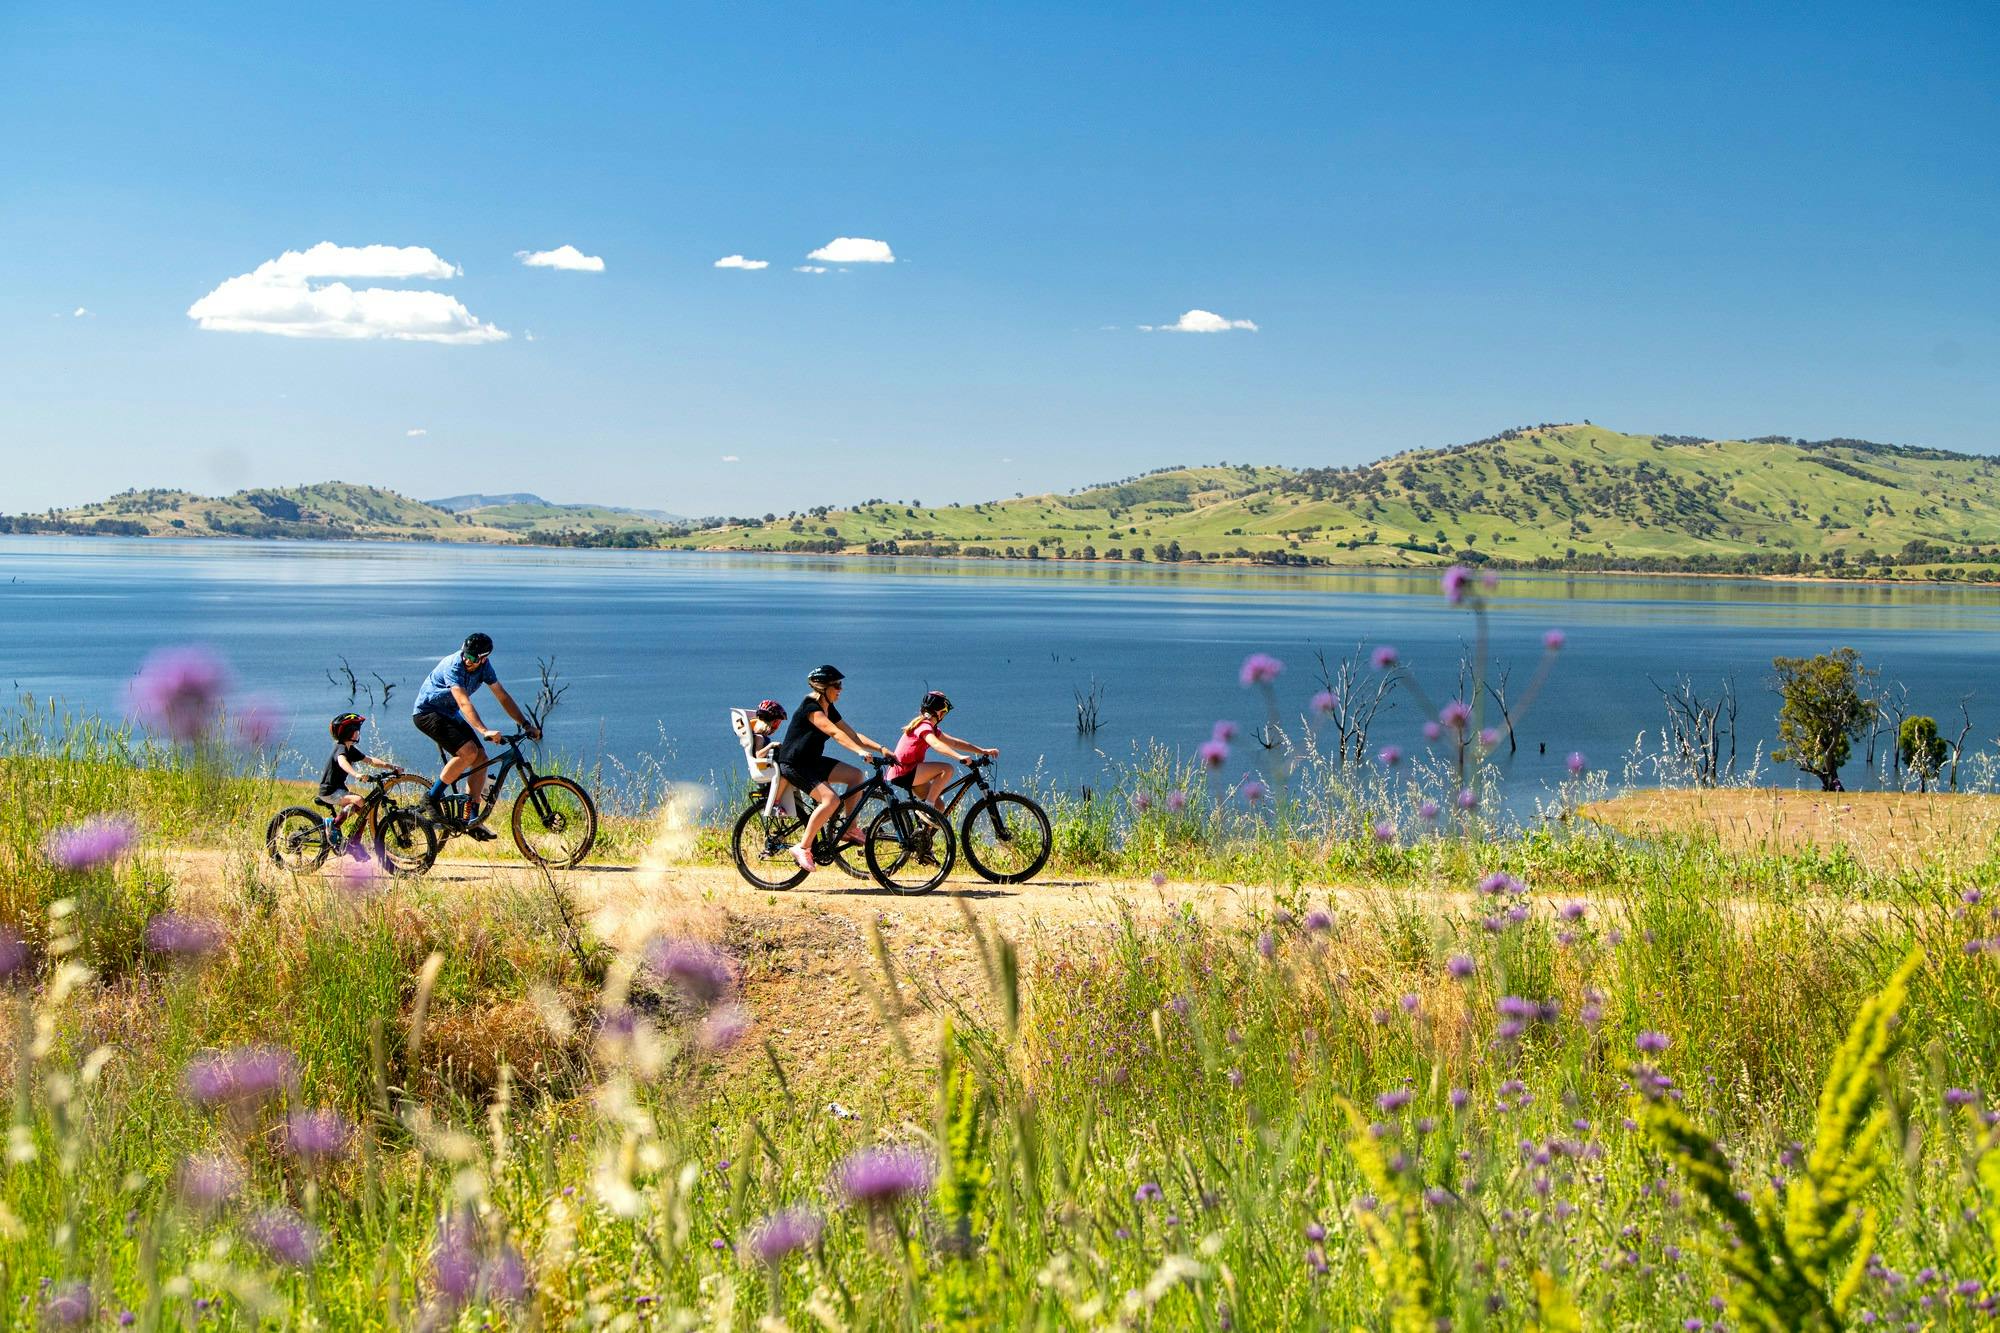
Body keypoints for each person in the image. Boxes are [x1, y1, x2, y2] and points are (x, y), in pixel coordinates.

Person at [411, 632, 539, 839]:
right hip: (428, 713)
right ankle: (431, 797)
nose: (466, 660)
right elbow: (463, 702)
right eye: (465, 655)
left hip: (449, 714)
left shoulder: (485, 668)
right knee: (469, 752)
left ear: (484, 658)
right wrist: (484, 730)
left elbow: (502, 696)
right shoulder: (454, 665)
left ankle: (472, 819)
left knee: (482, 760)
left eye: (472, 658)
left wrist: (525, 724)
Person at [776, 664, 892, 872]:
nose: (840, 689)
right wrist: (859, 752)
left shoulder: (829, 707)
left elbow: (851, 734)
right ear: (823, 687)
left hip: (812, 761)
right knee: (830, 800)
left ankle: (850, 828)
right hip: (795, 764)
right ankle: (803, 847)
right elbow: (835, 733)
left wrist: (880, 748)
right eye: (836, 685)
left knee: (856, 775)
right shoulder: (810, 707)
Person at [889, 691, 997, 808]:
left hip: (907, 772)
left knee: (939, 806)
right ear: (939, 713)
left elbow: (955, 743)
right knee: (947, 769)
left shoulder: (931, 728)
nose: (944, 716)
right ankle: (929, 808)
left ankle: (924, 822)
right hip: (905, 771)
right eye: (944, 713)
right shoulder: (923, 726)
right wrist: (959, 756)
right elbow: (936, 744)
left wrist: (982, 750)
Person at [320, 712, 394, 859]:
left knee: (364, 810)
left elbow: (370, 760)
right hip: (329, 791)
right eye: (356, 730)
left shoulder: (350, 749)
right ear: (348, 732)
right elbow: (342, 762)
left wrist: (391, 767)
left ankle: (355, 844)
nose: (358, 733)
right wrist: (356, 774)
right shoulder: (341, 749)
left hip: (339, 790)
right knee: (359, 800)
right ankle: (333, 825)